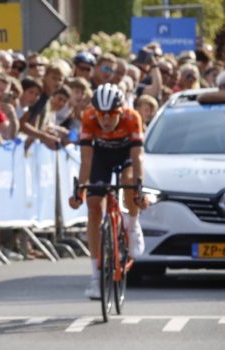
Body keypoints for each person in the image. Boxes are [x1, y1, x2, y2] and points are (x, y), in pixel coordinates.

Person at [68, 83, 147, 299]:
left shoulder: (132, 117)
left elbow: (138, 157)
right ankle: (96, 276)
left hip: (126, 155)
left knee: (129, 181)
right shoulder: (89, 118)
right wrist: (80, 192)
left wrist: (139, 187)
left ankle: (132, 224)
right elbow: (86, 160)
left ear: (121, 110)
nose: (106, 119)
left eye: (112, 114)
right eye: (101, 114)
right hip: (100, 157)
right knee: (93, 208)